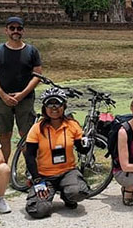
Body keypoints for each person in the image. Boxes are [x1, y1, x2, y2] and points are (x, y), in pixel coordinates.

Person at [23, 88, 92, 219]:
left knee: (79, 192)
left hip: (68, 171)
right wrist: (37, 180)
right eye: (50, 104)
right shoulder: (37, 128)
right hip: (44, 176)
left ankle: (67, 196)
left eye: (58, 104)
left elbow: (82, 150)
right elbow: (30, 156)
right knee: (37, 210)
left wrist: (87, 145)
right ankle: (48, 197)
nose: (54, 108)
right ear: (44, 107)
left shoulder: (72, 125)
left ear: (64, 106)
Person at [0, 16, 42, 160]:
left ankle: (30, 169)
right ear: (6, 31)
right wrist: (3, 95)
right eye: (12, 28)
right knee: (4, 135)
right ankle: (3, 169)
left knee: (26, 135)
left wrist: (21, 95)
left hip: (25, 99)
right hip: (2, 99)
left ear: (23, 31)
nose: (15, 31)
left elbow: (37, 76)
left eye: (19, 28)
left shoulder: (31, 51)